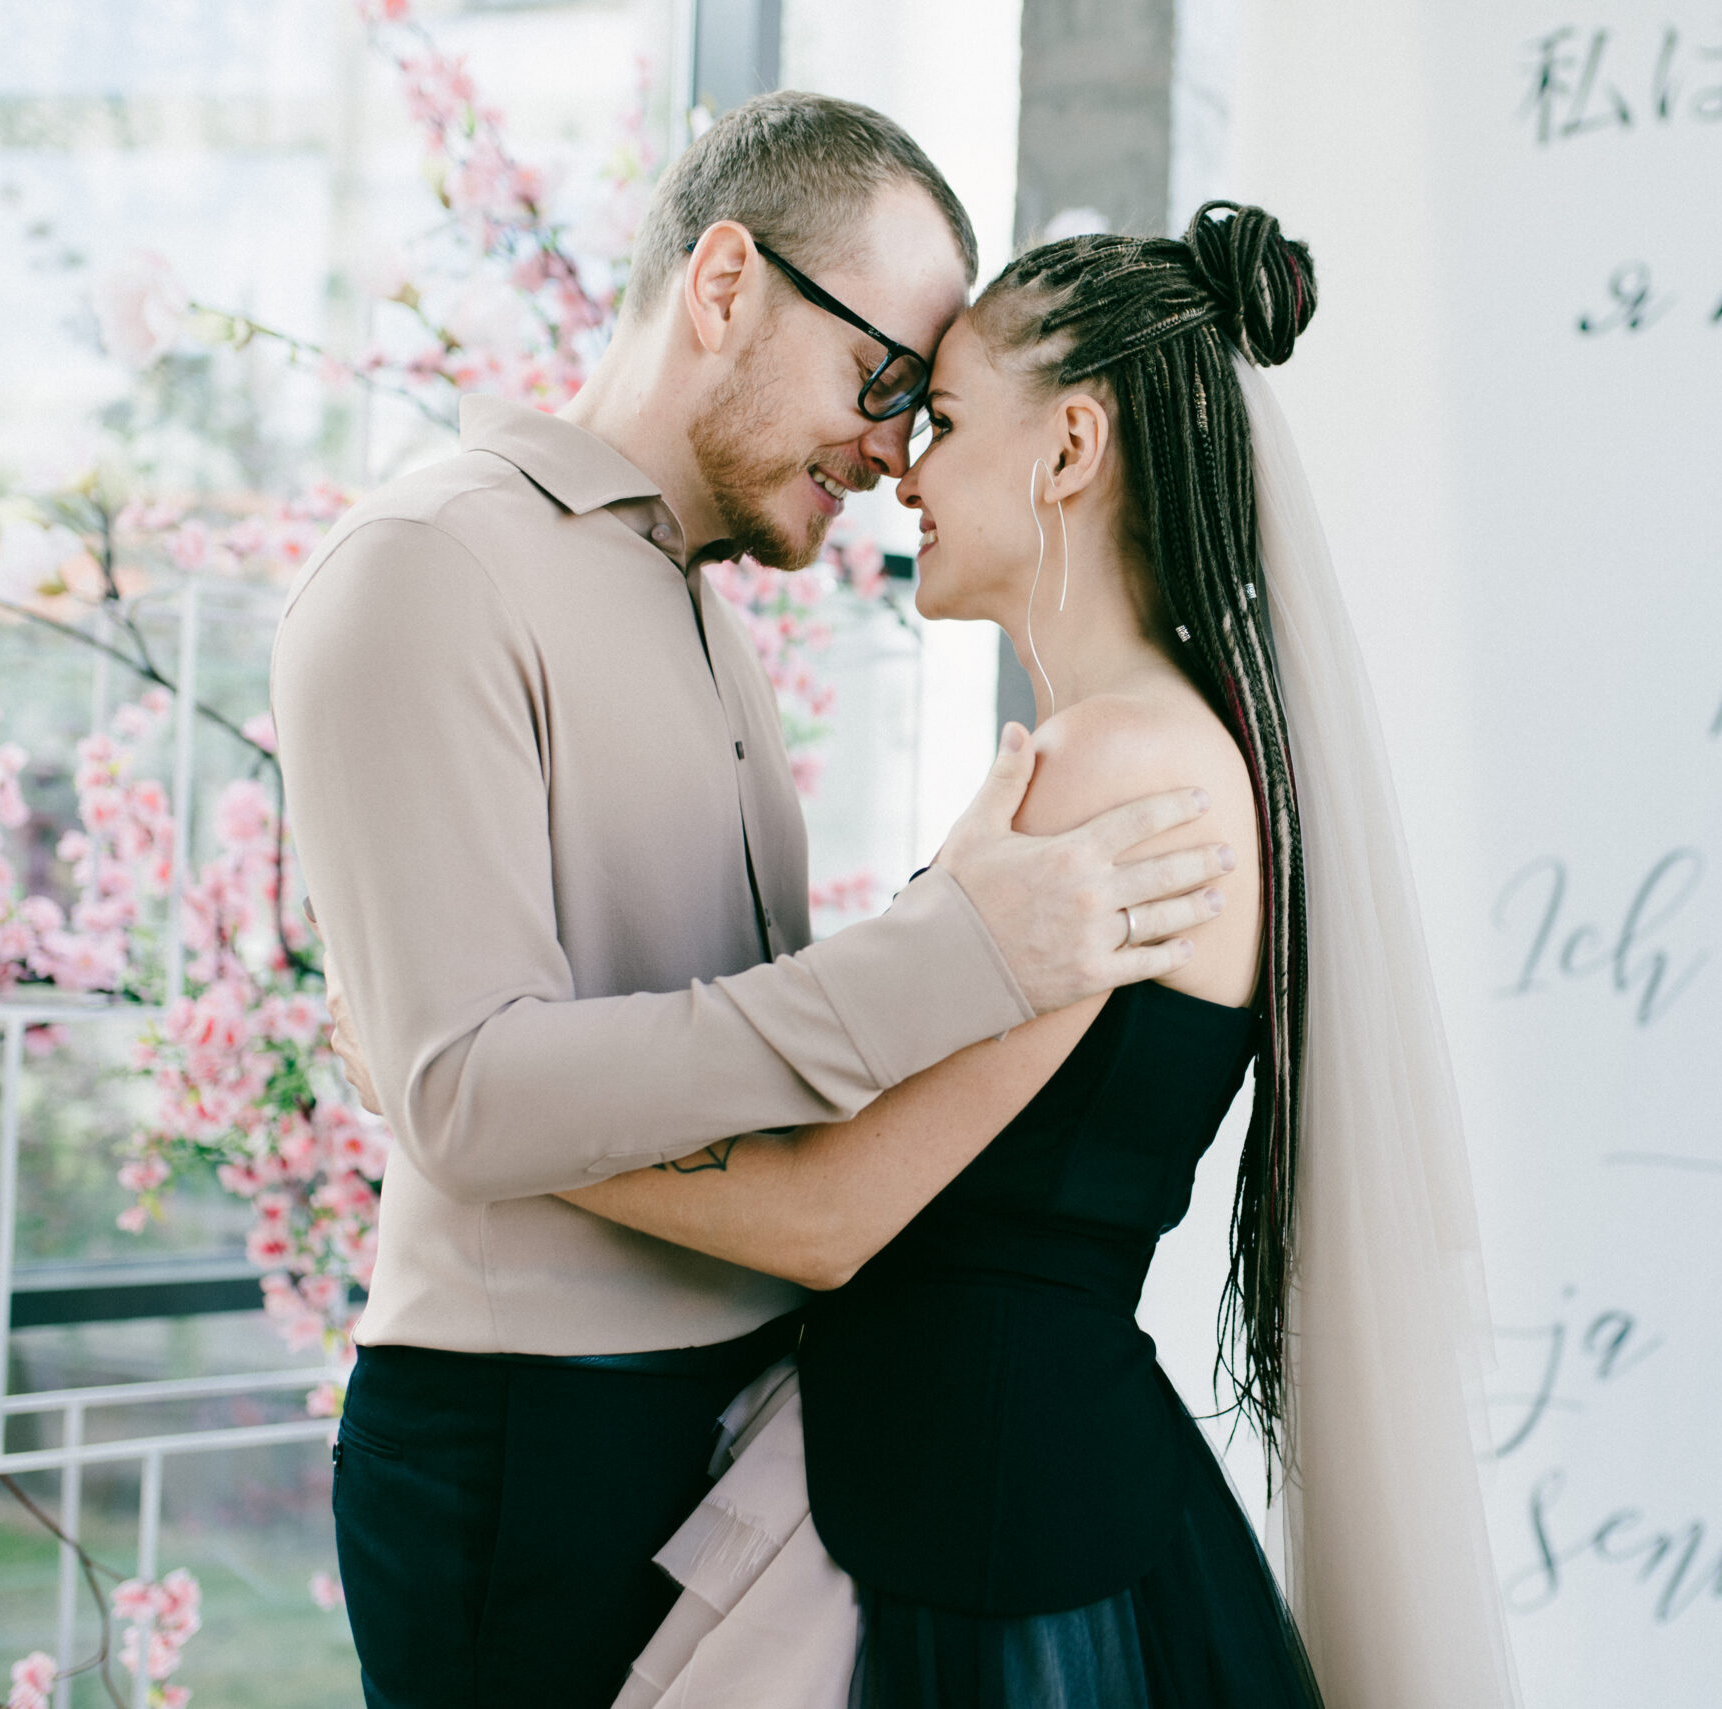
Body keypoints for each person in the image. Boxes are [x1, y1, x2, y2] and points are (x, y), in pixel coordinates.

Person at [337, 201, 1524, 1708]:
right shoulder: (1155, 745)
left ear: (1071, 448)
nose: (903, 466)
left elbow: (830, 1210)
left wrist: (454, 1108)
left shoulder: (1115, 767)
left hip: (976, 1521)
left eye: (944, 418)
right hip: (982, 1469)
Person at [271, 93, 1234, 1709]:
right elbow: (470, 1091)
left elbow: (707, 1083)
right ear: (724, 283)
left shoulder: (711, 620)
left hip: (743, 1422)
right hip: (531, 1435)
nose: (895, 448)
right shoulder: (429, 565)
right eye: (884, 378)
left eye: (926, 407)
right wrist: (958, 956)